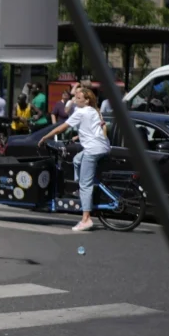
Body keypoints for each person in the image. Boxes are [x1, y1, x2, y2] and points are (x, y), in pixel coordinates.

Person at [38, 86, 111, 232]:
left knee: (86, 184)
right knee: (77, 159)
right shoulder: (94, 111)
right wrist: (78, 136)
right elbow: (93, 129)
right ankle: (81, 191)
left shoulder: (81, 112)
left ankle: (86, 219)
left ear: (87, 100)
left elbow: (61, 128)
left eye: (78, 98)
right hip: (103, 146)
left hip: (92, 150)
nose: (75, 100)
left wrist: (46, 136)